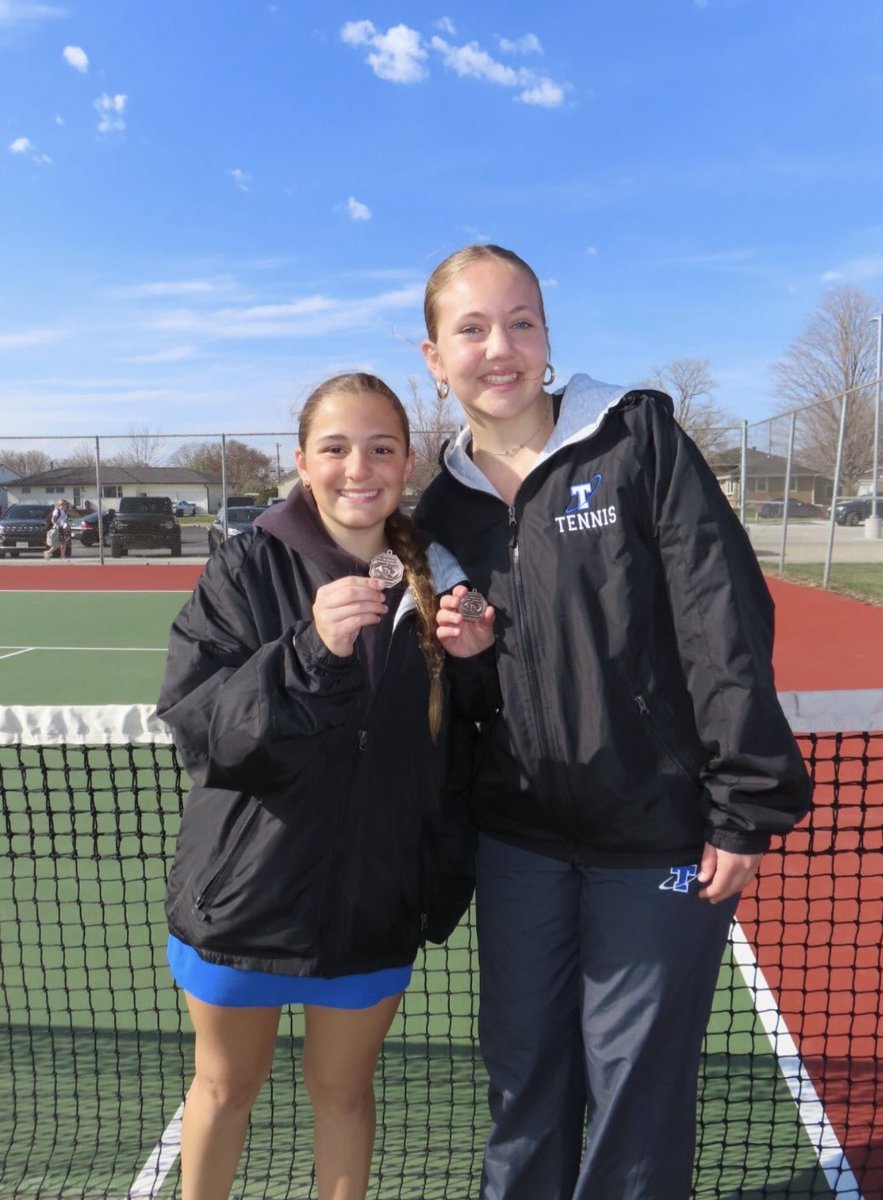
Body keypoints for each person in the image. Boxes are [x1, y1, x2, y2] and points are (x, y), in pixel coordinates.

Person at [416, 244, 814, 1200]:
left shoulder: (635, 440)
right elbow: (462, 706)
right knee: (523, 1083)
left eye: (521, 322)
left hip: (657, 838)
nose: (499, 348)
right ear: (434, 358)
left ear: (548, 337)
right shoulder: (437, 511)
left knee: (634, 1099)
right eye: (471, 329)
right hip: (519, 844)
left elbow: (725, 616)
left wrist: (744, 803)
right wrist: (462, 660)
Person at [157, 372, 495, 1200]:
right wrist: (309, 648)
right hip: (245, 905)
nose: (359, 467)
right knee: (224, 1091)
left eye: (381, 448)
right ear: (303, 461)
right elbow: (204, 731)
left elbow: (462, 744)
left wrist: (479, 663)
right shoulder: (244, 568)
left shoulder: (436, 579)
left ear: (408, 462)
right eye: (336, 448)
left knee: (344, 1094)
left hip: (371, 907)